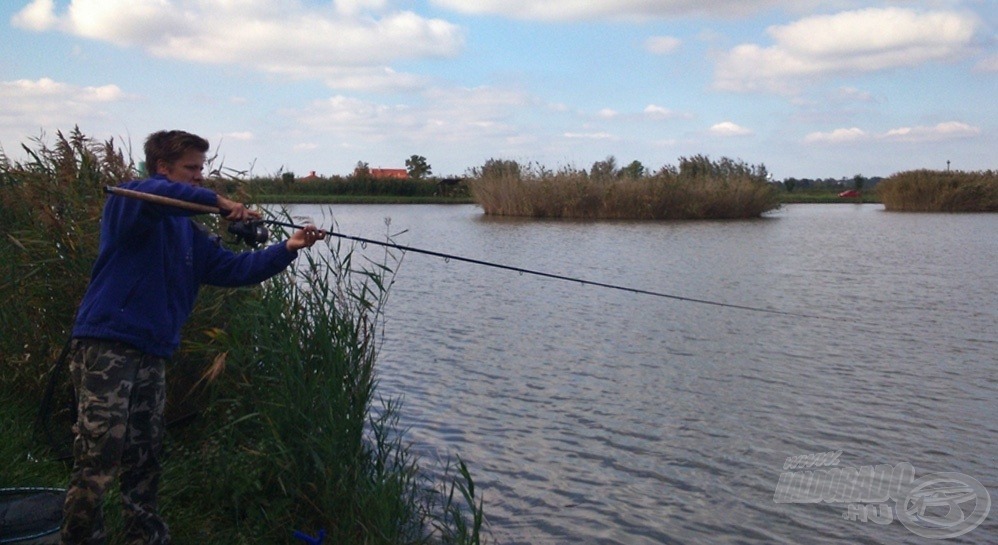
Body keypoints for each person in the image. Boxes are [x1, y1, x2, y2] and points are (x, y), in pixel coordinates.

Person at [61, 130, 324, 545]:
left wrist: (288, 248)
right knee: (99, 455)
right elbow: (155, 193)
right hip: (108, 343)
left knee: (144, 455)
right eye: (192, 168)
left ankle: (145, 537)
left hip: (152, 351)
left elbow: (235, 271)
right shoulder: (129, 200)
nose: (201, 177)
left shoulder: (190, 235)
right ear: (163, 168)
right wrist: (220, 203)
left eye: (203, 168)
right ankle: (80, 538)